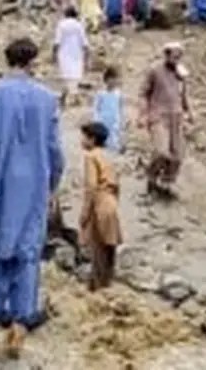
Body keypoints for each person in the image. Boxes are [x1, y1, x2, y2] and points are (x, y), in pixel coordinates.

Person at [0, 39, 64, 360]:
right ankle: (19, 327)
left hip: (0, 181)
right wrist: (53, 186)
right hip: (36, 183)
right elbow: (55, 150)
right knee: (27, 253)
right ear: (32, 61)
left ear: (6, 59)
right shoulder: (47, 98)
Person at [140, 43, 192, 195]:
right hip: (158, 115)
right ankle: (151, 177)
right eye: (174, 56)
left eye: (179, 56)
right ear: (167, 55)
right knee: (161, 151)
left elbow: (183, 94)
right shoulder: (154, 70)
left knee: (177, 154)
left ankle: (166, 183)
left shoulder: (181, 73)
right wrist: (143, 115)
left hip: (176, 116)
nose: (177, 59)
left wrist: (190, 112)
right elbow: (143, 93)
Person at [79, 121, 121, 292]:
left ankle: (97, 286)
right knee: (109, 245)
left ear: (92, 139)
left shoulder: (90, 157)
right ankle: (108, 282)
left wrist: (85, 211)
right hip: (111, 201)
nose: (81, 141)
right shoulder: (108, 156)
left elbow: (91, 186)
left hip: (100, 201)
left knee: (97, 247)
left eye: (84, 137)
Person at [52, 6, 90, 110]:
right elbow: (85, 43)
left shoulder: (61, 25)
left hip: (63, 54)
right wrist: (87, 56)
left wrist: (54, 54)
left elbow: (57, 41)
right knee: (75, 76)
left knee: (66, 76)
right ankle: (72, 99)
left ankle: (66, 99)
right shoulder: (79, 25)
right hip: (77, 54)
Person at [92, 67, 125, 154]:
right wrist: (96, 120)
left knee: (114, 140)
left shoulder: (118, 94)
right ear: (106, 79)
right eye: (111, 79)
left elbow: (121, 108)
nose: (113, 81)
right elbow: (96, 108)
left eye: (115, 79)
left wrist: (121, 121)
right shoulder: (101, 94)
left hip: (114, 121)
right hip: (103, 120)